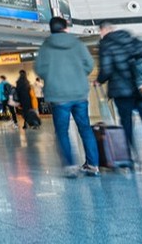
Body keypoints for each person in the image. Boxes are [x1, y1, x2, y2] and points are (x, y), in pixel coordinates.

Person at [98, 21, 142, 177]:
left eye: (100, 31)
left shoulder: (106, 44)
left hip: (122, 91)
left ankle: (129, 160)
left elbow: (107, 69)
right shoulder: (134, 40)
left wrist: (100, 80)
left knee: (127, 126)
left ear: (104, 30)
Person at [36, 17, 99, 178]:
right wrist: (78, 75)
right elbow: (89, 64)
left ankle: (70, 166)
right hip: (79, 94)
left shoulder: (46, 46)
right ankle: (92, 165)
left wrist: (52, 78)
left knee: (62, 131)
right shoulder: (77, 44)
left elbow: (39, 69)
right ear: (66, 28)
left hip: (58, 96)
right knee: (85, 129)